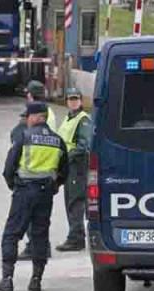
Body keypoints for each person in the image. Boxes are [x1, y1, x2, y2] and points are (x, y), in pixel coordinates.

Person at [0, 102, 69, 291]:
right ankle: (36, 280)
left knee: (12, 234)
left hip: (24, 192)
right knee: (40, 236)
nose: (26, 120)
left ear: (37, 117)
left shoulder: (24, 138)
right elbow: (64, 172)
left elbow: (9, 168)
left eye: (28, 117)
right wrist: (53, 187)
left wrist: (15, 185)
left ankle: (7, 279)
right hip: (45, 195)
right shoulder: (58, 141)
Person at [15, 80, 57, 260]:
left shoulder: (34, 115)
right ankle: (40, 246)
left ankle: (36, 247)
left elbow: (19, 138)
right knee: (41, 218)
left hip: (33, 172)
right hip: (48, 173)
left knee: (31, 216)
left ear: (30, 95)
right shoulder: (50, 113)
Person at [55, 88, 93, 252]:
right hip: (68, 166)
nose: (73, 101)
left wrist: (67, 157)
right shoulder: (68, 118)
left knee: (75, 202)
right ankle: (75, 235)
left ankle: (76, 238)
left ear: (81, 101)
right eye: (70, 99)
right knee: (70, 200)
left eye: (76, 99)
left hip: (77, 166)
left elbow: (83, 146)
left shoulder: (83, 120)